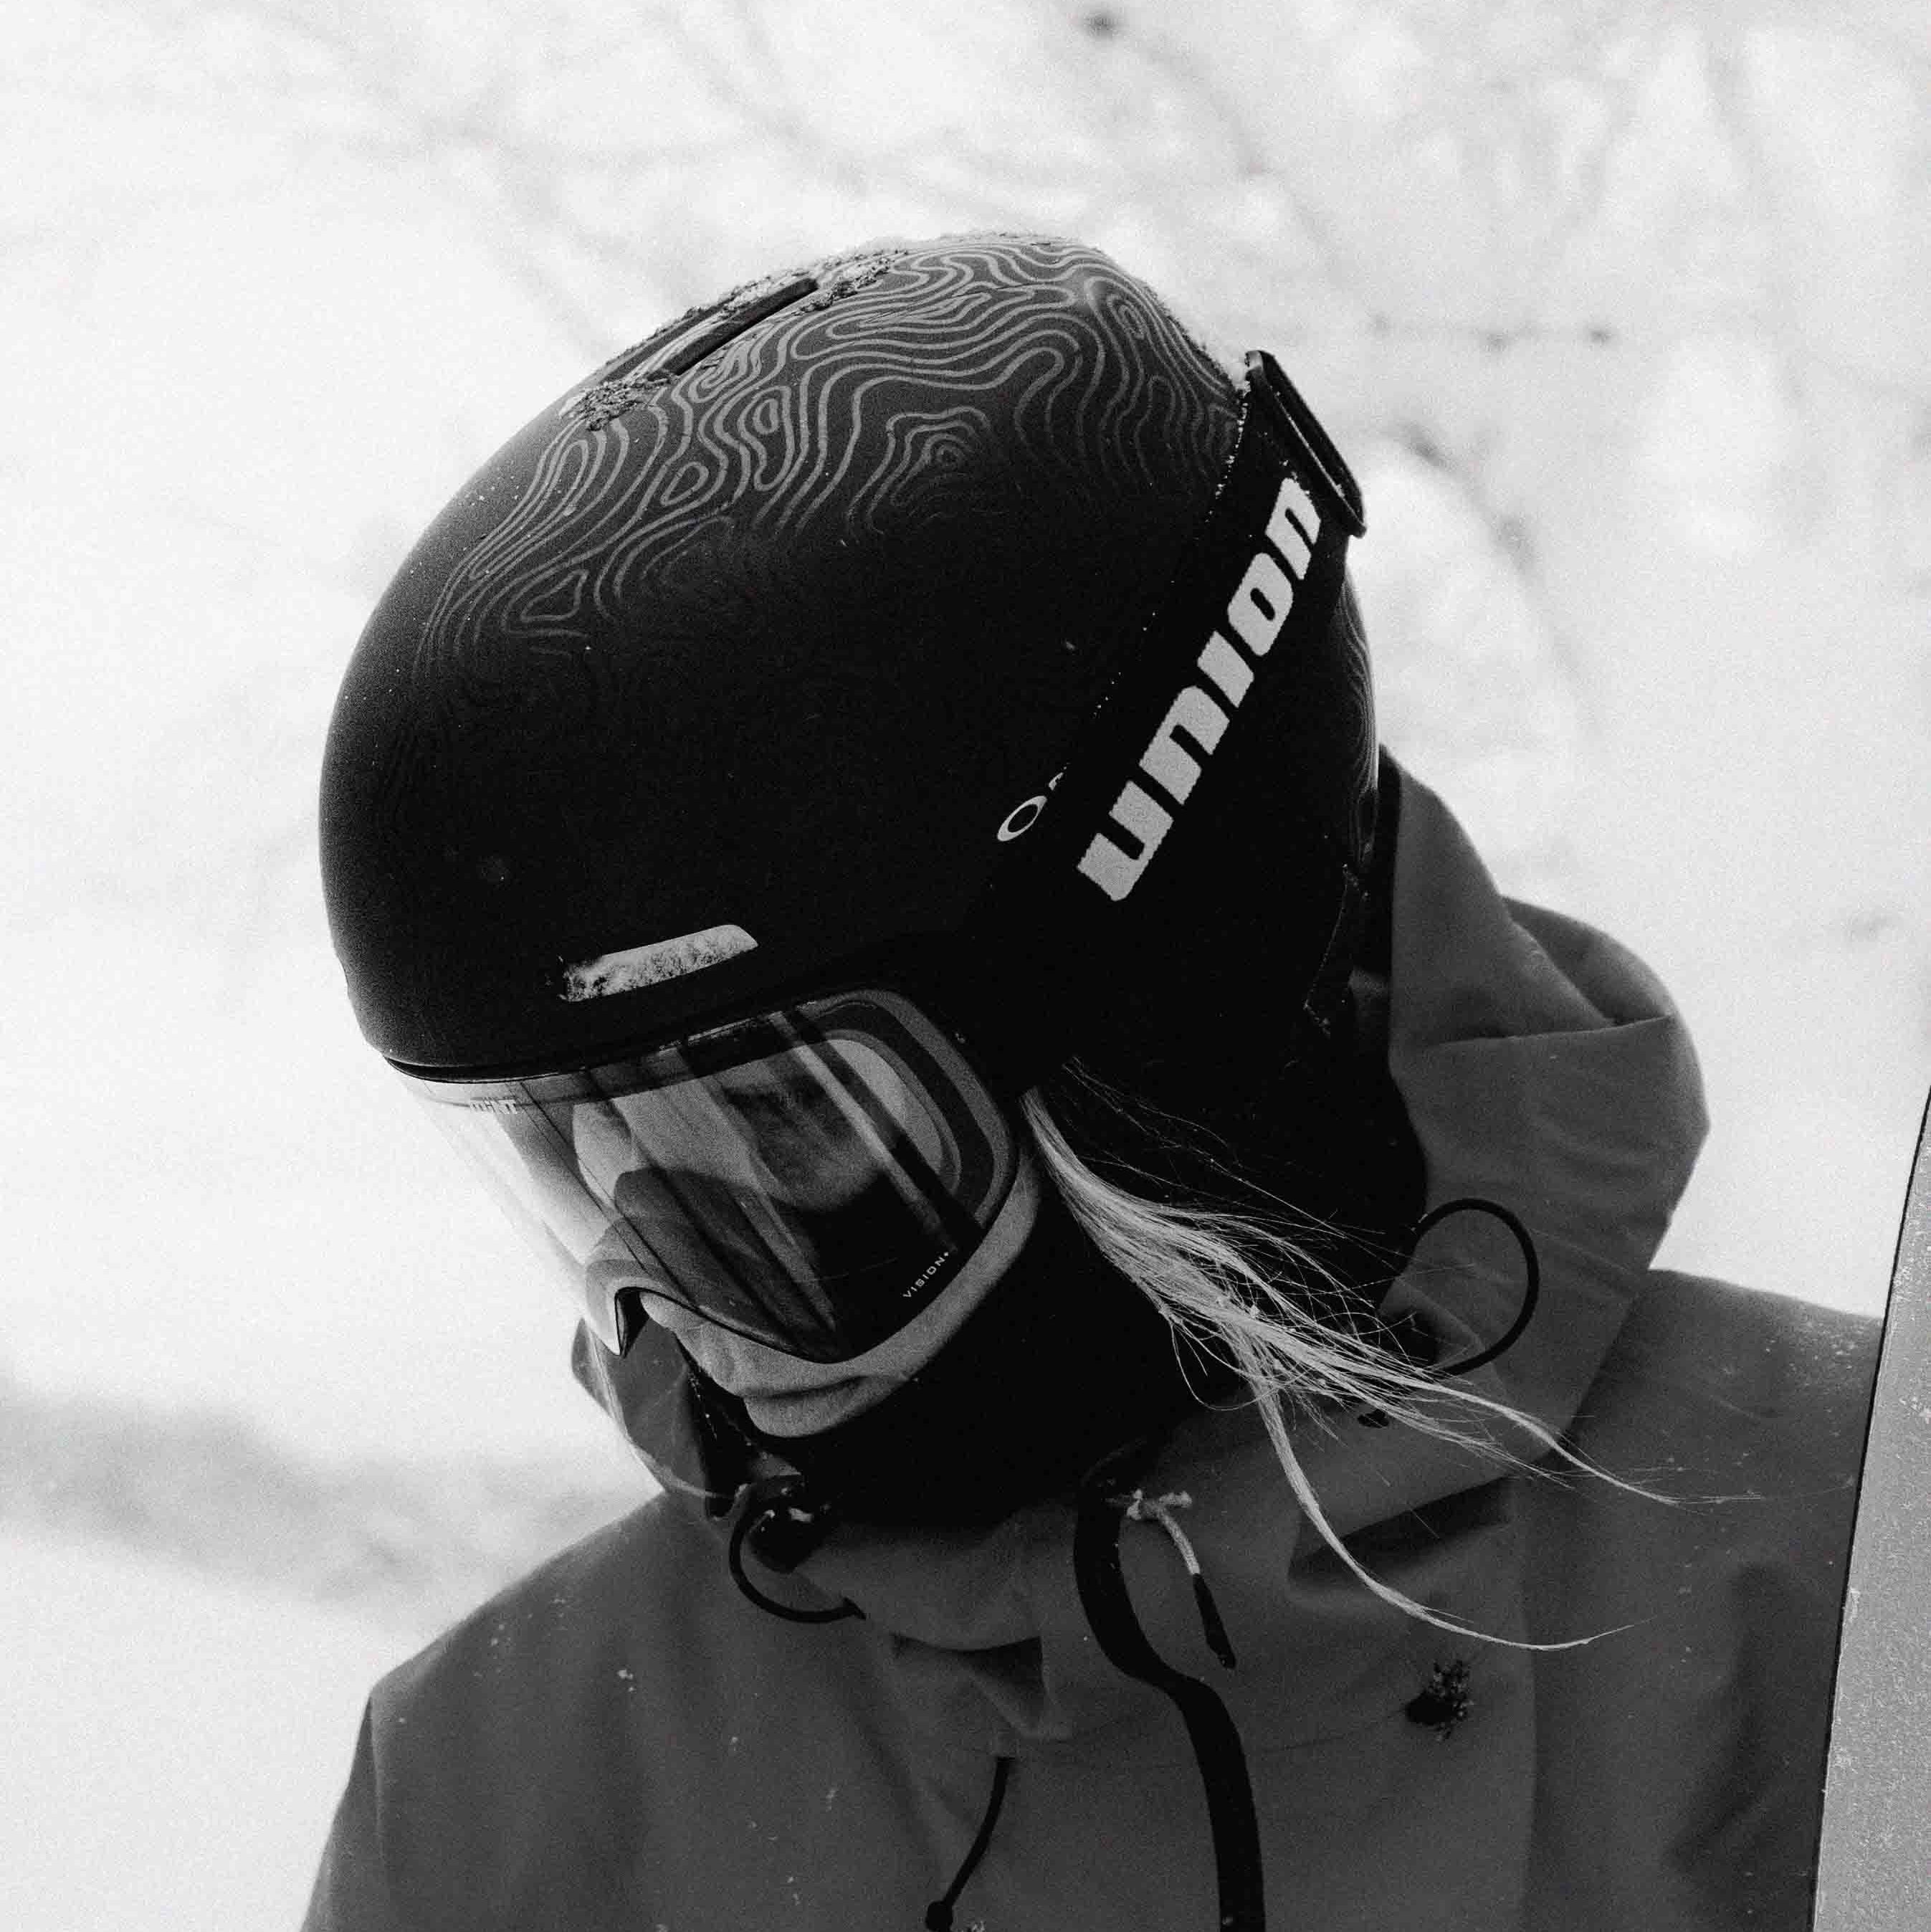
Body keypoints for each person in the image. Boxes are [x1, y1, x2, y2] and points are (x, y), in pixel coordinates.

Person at [305, 234, 1877, 1931]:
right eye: (577, 1164)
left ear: (1158, 1030)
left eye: (780, 1129)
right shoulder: (497, 1814)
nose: (684, 1316)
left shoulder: (1863, 1581)